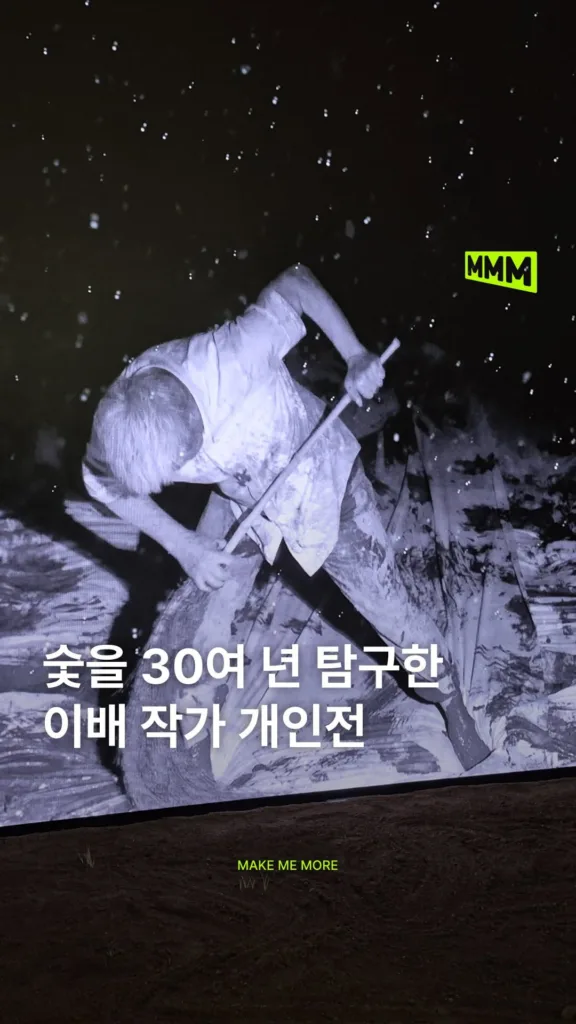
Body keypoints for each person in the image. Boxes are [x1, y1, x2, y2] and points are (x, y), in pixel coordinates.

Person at [81, 263, 490, 770]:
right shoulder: (123, 416)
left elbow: (295, 282)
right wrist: (184, 546)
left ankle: (450, 702)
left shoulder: (234, 356)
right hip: (241, 497)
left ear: (190, 428)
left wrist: (355, 354)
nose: (170, 483)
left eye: (173, 470)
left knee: (392, 614)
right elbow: (99, 483)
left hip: (321, 482)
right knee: (205, 610)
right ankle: (195, 726)